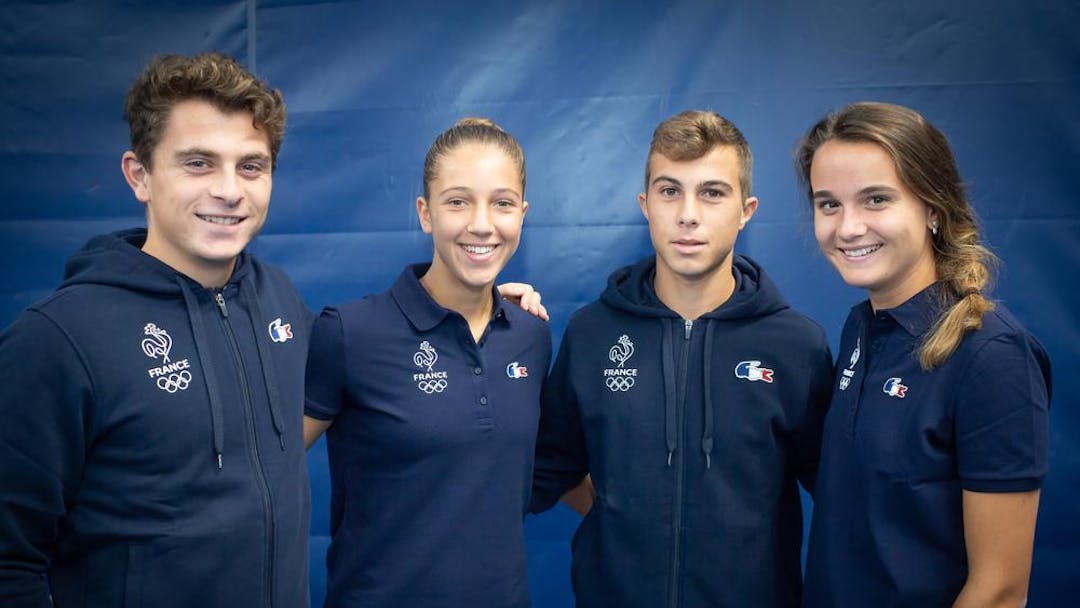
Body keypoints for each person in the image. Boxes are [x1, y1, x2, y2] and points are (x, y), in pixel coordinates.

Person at [0, 53, 313, 607]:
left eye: (251, 166)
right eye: (198, 163)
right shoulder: (57, 341)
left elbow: (374, 362)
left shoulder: (279, 300)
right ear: (139, 175)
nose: (229, 190)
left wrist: (483, 310)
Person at [530, 110, 834, 607]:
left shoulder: (795, 345)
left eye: (712, 193)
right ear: (645, 205)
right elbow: (548, 467)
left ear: (747, 210)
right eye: (670, 191)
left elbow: (844, 494)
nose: (688, 213)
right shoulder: (592, 333)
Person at [795, 101, 1051, 607]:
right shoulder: (860, 329)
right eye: (829, 204)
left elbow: (1000, 591)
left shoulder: (991, 356)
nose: (848, 228)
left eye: (876, 200)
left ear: (932, 208)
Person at [302, 118, 551, 607]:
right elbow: (266, 470)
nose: (481, 223)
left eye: (501, 203)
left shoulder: (531, 335)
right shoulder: (350, 334)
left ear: (522, 213)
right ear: (425, 212)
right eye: (458, 201)